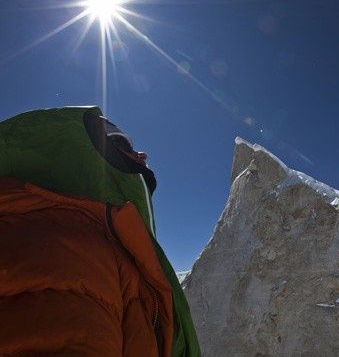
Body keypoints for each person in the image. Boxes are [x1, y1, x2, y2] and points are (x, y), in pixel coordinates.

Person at [0, 107, 200, 357]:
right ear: (94, 153)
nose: (142, 154)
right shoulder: (73, 239)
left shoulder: (107, 241)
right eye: (121, 143)